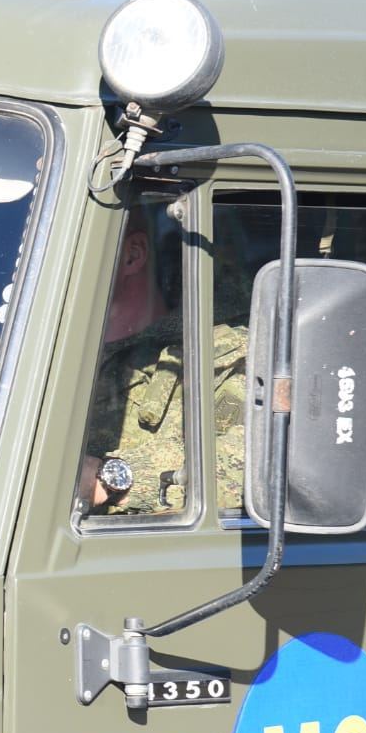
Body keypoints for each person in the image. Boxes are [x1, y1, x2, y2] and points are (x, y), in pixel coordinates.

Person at [80, 206, 248, 515]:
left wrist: (107, 482)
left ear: (133, 254)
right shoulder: (32, 355)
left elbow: (251, 466)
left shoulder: (217, 357)